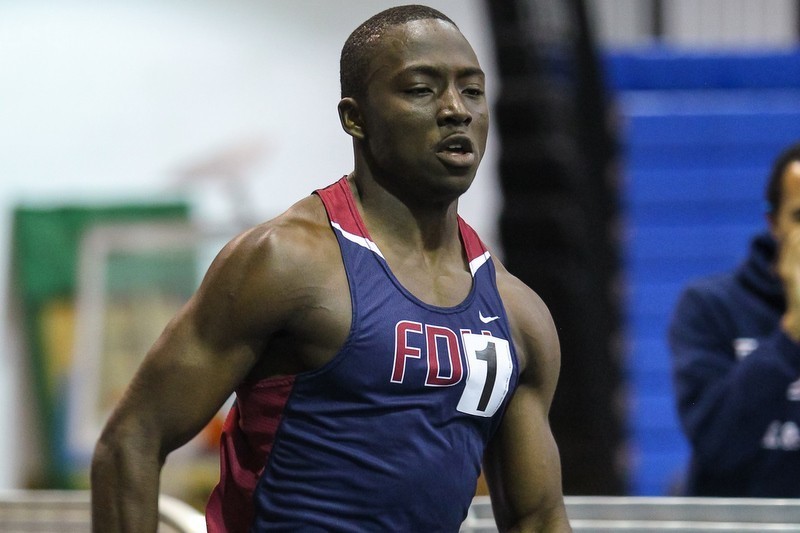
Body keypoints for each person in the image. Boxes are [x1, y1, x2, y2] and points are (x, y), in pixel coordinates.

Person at [91, 5, 572, 532]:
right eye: (421, 89)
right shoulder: (284, 262)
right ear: (354, 117)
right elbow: (130, 440)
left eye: (472, 91)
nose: (456, 110)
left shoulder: (519, 316)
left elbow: (538, 516)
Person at [669, 141, 800, 497]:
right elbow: (716, 446)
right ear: (773, 224)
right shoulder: (711, 306)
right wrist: (791, 335)